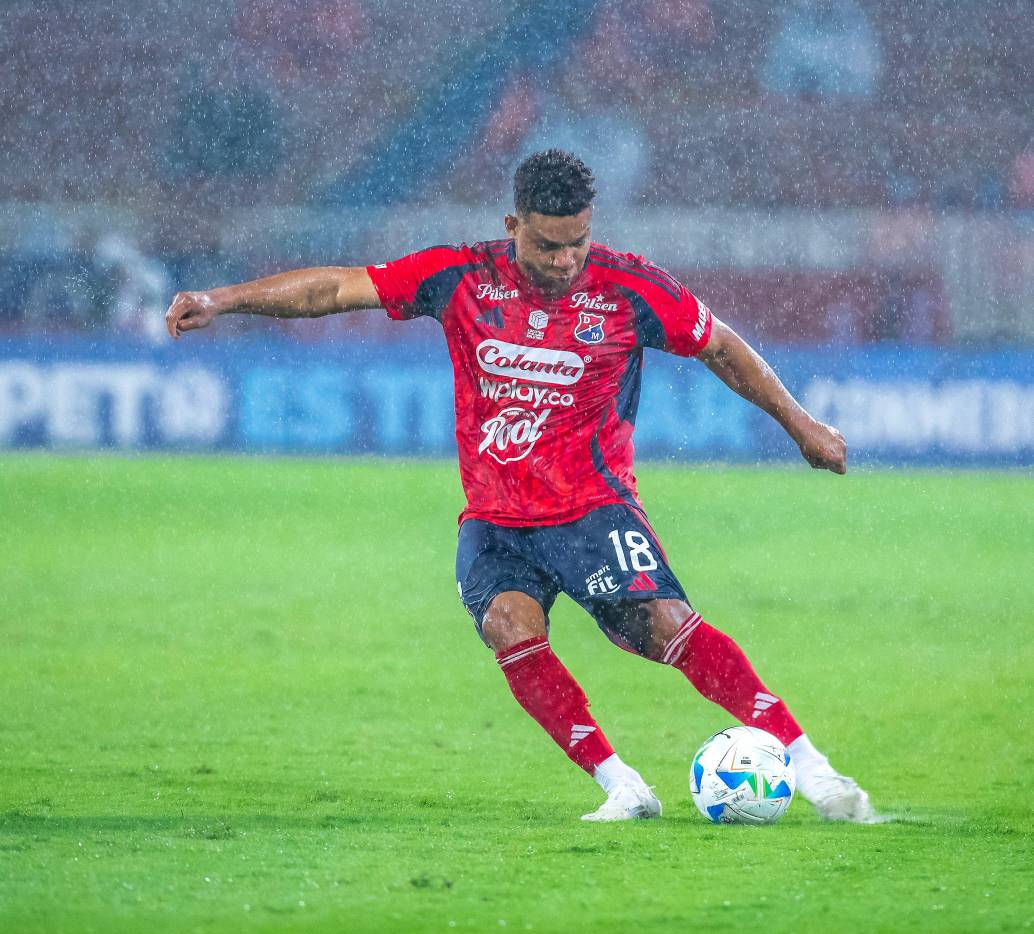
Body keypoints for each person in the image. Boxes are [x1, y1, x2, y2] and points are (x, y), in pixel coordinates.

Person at [166, 149, 876, 824]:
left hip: (592, 509)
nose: (565, 261)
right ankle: (621, 785)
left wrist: (800, 424)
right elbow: (336, 287)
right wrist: (223, 299)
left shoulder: (631, 288)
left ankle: (811, 767)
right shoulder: (459, 277)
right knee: (509, 626)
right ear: (513, 228)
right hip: (496, 518)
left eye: (578, 243)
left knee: (664, 627)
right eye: (547, 246)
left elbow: (720, 344)